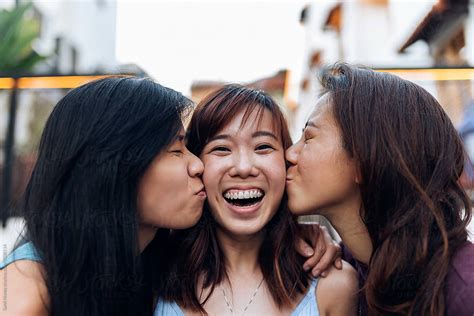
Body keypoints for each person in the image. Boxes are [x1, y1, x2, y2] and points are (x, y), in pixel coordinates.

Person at [0, 77, 206, 316]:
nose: (198, 165)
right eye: (176, 150)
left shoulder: (157, 271)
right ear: (115, 166)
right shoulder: (27, 288)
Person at [285, 63, 474, 315]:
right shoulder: (348, 265)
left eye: (308, 138)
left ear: (365, 158)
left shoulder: (464, 289)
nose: (289, 154)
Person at [158, 85, 358, 315]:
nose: (243, 168)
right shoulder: (149, 277)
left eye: (263, 147)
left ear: (286, 163)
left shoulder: (335, 285)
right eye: (221, 149)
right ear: (196, 166)